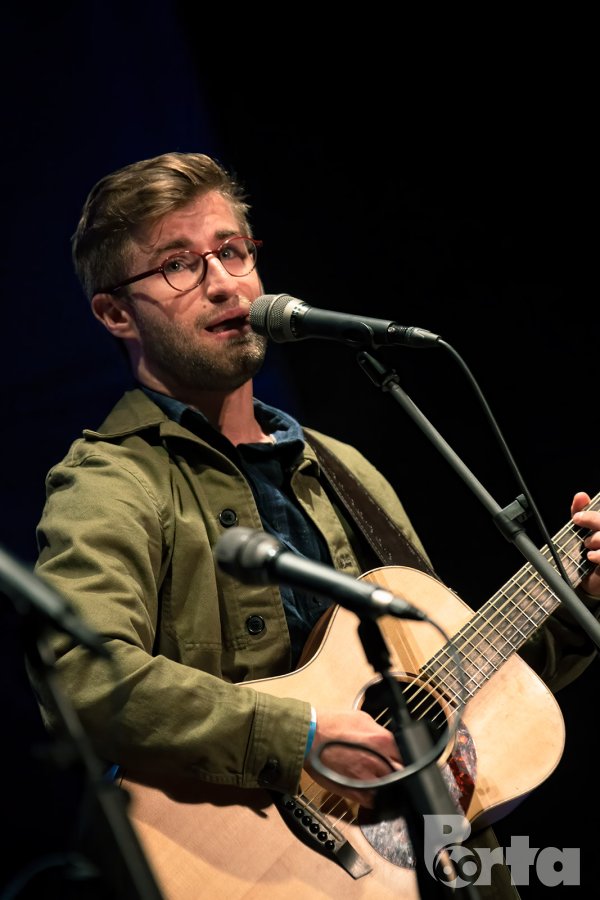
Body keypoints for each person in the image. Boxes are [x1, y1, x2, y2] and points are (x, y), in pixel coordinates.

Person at [29, 151, 600, 899]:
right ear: (115, 313)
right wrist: (297, 737)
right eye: (178, 265)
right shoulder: (110, 481)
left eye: (232, 251)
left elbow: (451, 690)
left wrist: (576, 595)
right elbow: (81, 678)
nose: (224, 282)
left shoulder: (344, 467)